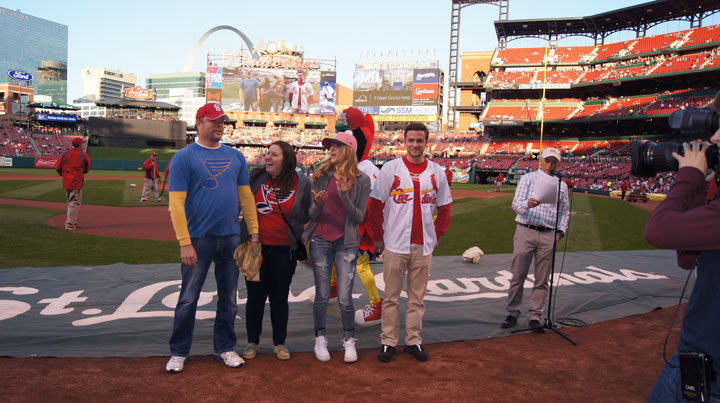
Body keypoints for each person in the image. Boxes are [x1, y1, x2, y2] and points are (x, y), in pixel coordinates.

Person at [165, 103, 259, 373]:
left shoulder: (236, 157)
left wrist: (254, 232)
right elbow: (176, 205)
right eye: (214, 121)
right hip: (198, 239)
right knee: (188, 298)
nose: (220, 126)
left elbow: (246, 197)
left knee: (229, 298)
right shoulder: (184, 157)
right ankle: (179, 351)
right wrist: (184, 242)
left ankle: (224, 348)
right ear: (199, 123)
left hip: (230, 236)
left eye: (223, 122)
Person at [645, 92, 720, 402]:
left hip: (707, 372)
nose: (712, 140)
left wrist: (689, 175)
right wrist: (702, 186)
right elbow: (688, 258)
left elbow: (659, 231)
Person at [370, 122, 453, 363]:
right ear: (404, 142)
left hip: (423, 244)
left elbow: (445, 206)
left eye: (420, 140)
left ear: (427, 142)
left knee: (417, 298)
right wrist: (377, 237)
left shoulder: (437, 171)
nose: (415, 144)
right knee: (391, 296)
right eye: (411, 140)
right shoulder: (391, 169)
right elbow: (376, 204)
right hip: (395, 242)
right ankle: (388, 341)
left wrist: (438, 233)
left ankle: (413, 340)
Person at [302, 130, 371, 363]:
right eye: (330, 146)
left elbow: (359, 216)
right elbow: (311, 214)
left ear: (349, 150)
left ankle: (348, 340)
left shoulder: (361, 180)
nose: (331, 149)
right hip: (321, 239)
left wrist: (343, 195)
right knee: (322, 294)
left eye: (337, 146)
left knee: (345, 297)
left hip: (347, 242)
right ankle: (319, 338)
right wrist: (318, 205)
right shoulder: (320, 175)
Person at [240, 141, 311, 361]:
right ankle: (253, 341)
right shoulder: (256, 179)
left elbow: (308, 213)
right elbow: (242, 205)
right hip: (256, 250)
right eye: (267, 153)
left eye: (274, 154)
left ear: (286, 159)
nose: (268, 157)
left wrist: (302, 236)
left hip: (284, 251)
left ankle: (279, 343)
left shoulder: (302, 182)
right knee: (255, 297)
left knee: (279, 297)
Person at [500, 147, 570, 332]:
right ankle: (513, 312)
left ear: (558, 163)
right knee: (518, 275)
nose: (551, 164)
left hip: (549, 233)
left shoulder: (561, 184)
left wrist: (560, 232)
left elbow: (564, 212)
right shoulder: (528, 178)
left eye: (554, 161)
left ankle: (535, 316)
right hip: (526, 229)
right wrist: (528, 204)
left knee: (542, 278)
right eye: (548, 160)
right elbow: (516, 204)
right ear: (541, 161)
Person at [55, 137, 90, 231]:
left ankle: (73, 221)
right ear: (80, 145)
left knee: (70, 201)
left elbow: (58, 167)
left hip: (66, 181)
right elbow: (87, 169)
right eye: (82, 143)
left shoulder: (65, 154)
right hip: (76, 181)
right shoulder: (83, 155)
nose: (83, 144)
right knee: (74, 202)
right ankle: (69, 223)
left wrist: (64, 174)